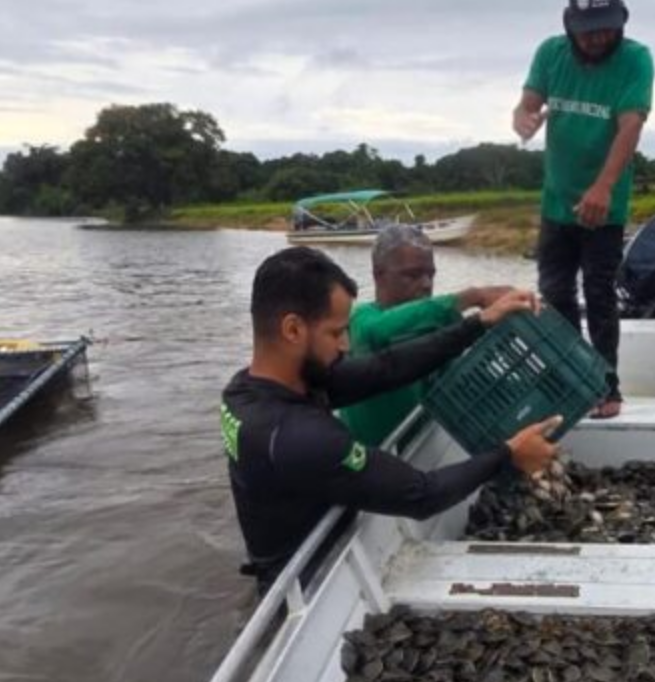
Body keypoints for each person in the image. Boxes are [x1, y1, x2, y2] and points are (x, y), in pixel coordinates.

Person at [222, 247, 559, 589]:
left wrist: (480, 322)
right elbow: (421, 495)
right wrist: (509, 453)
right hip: (307, 580)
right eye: (336, 333)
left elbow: (387, 368)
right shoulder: (298, 436)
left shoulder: (249, 389)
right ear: (293, 329)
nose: (346, 346)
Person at [513, 0, 653, 420]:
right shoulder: (550, 54)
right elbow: (525, 105)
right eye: (588, 31)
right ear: (570, 25)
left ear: (620, 22)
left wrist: (603, 187)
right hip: (557, 202)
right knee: (554, 294)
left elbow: (630, 125)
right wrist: (525, 120)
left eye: (605, 30)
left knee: (599, 293)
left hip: (603, 207)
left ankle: (607, 387)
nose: (596, 39)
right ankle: (575, 378)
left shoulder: (636, 59)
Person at [339, 224, 518, 447]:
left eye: (430, 274)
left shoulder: (435, 323)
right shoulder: (361, 320)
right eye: (412, 275)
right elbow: (378, 330)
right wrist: (473, 297)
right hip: (369, 459)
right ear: (379, 275)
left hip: (420, 452)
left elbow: (466, 382)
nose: (426, 284)